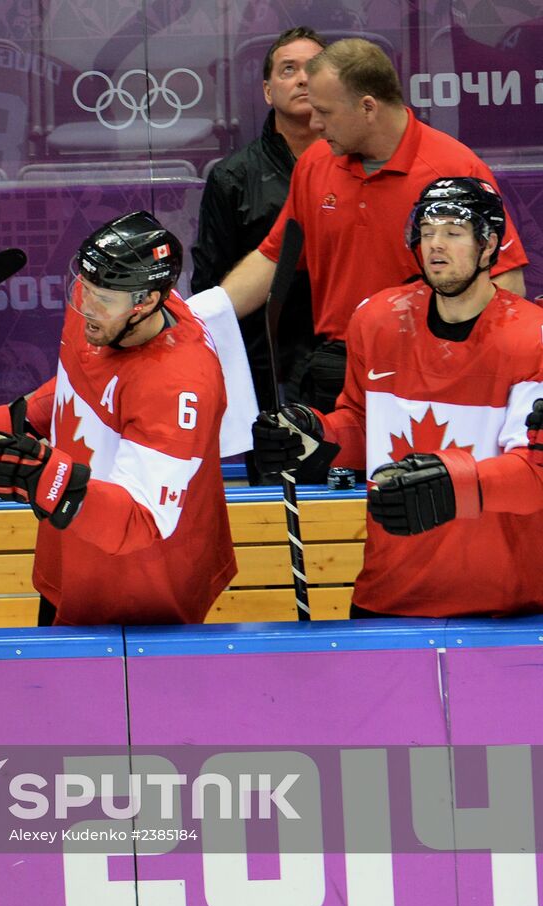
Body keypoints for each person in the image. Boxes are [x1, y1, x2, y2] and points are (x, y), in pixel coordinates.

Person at [0, 212, 236, 626]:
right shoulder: (103, 312)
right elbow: (80, 386)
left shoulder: (180, 385)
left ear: (146, 303)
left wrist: (44, 478)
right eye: (83, 287)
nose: (83, 304)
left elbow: (141, 522)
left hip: (147, 581)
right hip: (74, 551)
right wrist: (0, 423)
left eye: (101, 298)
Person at [252, 178, 543, 618]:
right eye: (426, 231)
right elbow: (361, 425)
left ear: (489, 246)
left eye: (453, 231)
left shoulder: (531, 337)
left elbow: (533, 476)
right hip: (387, 592)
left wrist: (451, 482)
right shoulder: (379, 320)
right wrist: (315, 435)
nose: (435, 245)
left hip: (501, 602)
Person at [220, 38, 529, 413]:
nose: (315, 124)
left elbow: (505, 283)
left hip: (426, 373)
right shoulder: (316, 163)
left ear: (367, 107)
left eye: (325, 112)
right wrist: (197, 321)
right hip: (336, 369)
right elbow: (273, 258)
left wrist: (467, 373)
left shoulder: (454, 168)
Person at [192, 26, 324, 443]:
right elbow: (210, 286)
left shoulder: (360, 164)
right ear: (268, 91)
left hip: (350, 366)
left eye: (314, 68)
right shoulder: (233, 177)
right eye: (289, 70)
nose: (303, 78)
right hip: (266, 375)